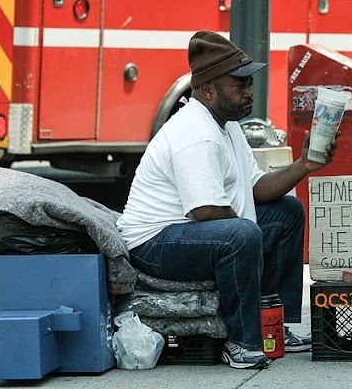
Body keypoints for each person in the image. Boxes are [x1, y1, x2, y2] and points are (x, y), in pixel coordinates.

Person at [116, 30, 339, 369]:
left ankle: (275, 326)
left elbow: (256, 188)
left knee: (287, 212)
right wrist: (250, 233)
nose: (249, 92)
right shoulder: (195, 134)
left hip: (189, 232)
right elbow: (208, 211)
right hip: (153, 245)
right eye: (239, 85)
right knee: (241, 235)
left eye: (249, 84)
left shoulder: (227, 125)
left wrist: (304, 166)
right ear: (208, 89)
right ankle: (242, 341)